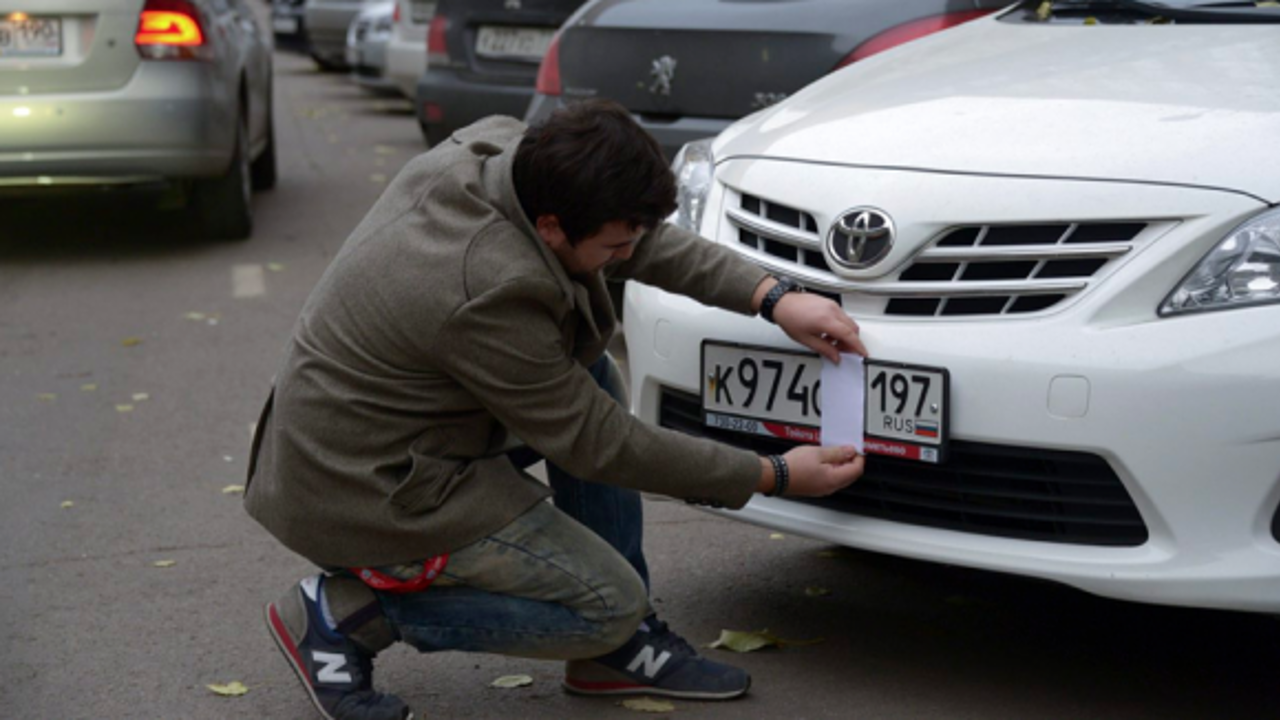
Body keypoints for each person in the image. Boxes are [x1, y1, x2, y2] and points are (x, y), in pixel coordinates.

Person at [244, 99, 867, 720]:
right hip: (363, 486)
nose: (624, 256)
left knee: (586, 364)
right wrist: (774, 475)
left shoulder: (507, 154)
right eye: (611, 247)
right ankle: (344, 615)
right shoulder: (487, 288)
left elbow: (636, 241)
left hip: (393, 424)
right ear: (549, 229)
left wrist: (773, 297)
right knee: (606, 606)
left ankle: (612, 656)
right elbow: (601, 444)